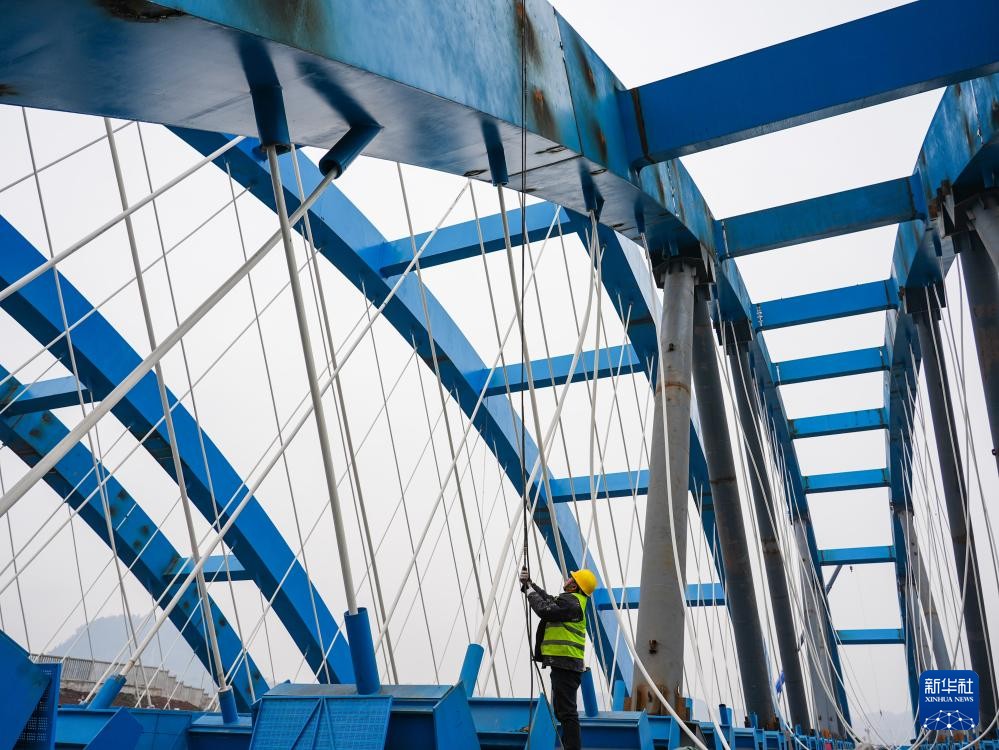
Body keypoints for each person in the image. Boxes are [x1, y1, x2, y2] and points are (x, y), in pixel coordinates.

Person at [519, 567, 597, 750]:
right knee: (563, 711)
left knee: (567, 713)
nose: (568, 579)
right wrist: (529, 584)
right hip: (566, 664)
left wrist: (529, 591)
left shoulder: (572, 603)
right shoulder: (572, 601)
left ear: (576, 587)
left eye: (572, 579)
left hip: (566, 664)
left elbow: (544, 609)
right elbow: (548, 599)